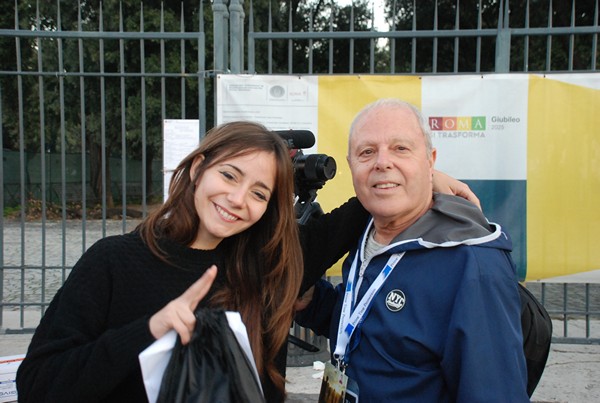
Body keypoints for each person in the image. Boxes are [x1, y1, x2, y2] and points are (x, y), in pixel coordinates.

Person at [16, 120, 478, 403]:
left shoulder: (270, 267)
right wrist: (150, 330)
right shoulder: (113, 262)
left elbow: (347, 220)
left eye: (259, 193)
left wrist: (421, 176)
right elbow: (38, 385)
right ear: (198, 168)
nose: (238, 200)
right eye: (229, 175)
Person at [295, 98, 529, 402]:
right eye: (367, 152)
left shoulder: (471, 263)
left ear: (430, 161)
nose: (382, 162)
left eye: (400, 149)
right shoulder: (368, 229)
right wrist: (313, 302)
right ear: (352, 166)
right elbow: (378, 325)